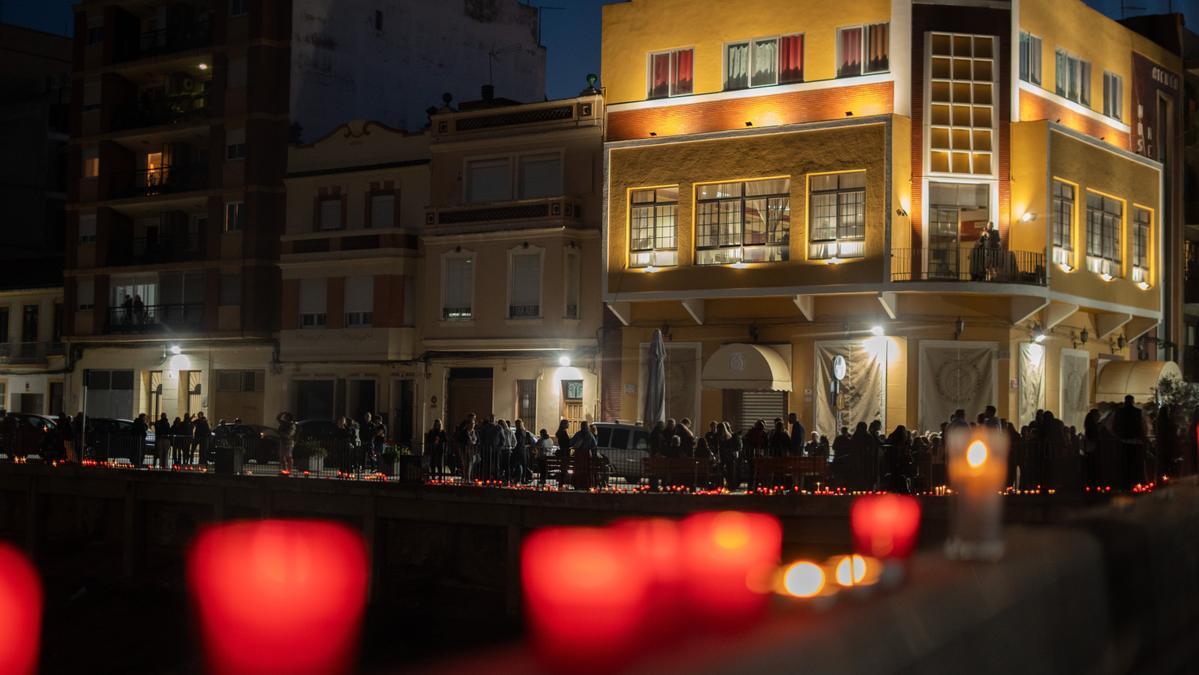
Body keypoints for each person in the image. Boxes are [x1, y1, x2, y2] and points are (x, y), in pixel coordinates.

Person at [1113, 395, 1146, 490]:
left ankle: (1125, 483)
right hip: (1135, 442)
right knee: (1135, 464)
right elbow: (1143, 426)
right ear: (1132, 401)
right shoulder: (1138, 412)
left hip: (1123, 442)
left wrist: (1118, 436)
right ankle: (1135, 482)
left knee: (1124, 464)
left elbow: (1114, 426)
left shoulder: (1119, 412)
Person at [570, 421, 598, 490]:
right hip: (586, 455)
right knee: (586, 470)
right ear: (587, 426)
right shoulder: (590, 435)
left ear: (581, 426)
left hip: (578, 454)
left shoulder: (578, 434)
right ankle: (585, 484)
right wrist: (594, 455)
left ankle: (577, 484)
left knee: (577, 470)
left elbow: (571, 442)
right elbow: (594, 445)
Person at [456, 414, 479, 481]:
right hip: (465, 450)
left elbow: (479, 441)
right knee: (466, 464)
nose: (472, 425)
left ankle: (468, 478)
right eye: (471, 423)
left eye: (473, 423)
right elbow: (459, 440)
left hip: (473, 450)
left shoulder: (476, 432)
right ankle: (467, 478)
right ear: (468, 424)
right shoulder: (464, 432)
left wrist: (476, 445)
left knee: (471, 464)